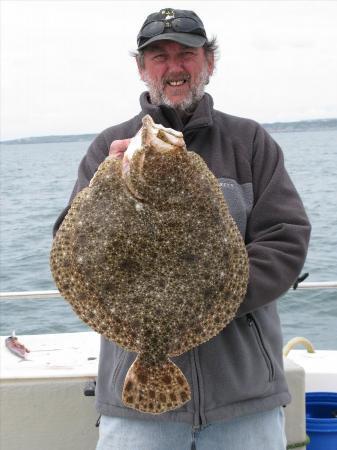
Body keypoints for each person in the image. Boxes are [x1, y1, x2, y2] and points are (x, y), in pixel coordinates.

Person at [53, 7, 311, 450]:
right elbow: (70, 246)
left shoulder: (249, 142)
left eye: (186, 54)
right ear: (141, 68)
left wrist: (211, 296)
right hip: (131, 407)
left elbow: (286, 239)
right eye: (159, 56)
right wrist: (105, 184)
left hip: (243, 398)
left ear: (209, 62)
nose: (174, 67)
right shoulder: (109, 148)